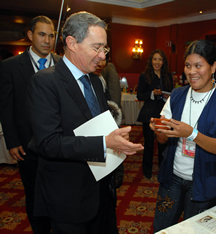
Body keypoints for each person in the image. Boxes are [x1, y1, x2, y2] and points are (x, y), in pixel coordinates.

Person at [26, 11, 144, 233]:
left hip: (102, 192)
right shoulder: (44, 82)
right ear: (72, 43)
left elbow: (98, 127)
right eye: (96, 47)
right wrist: (106, 143)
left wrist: (115, 138)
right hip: (69, 197)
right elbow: (48, 143)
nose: (102, 55)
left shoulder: (95, 82)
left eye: (105, 48)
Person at [150, 40, 216, 232]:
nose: (192, 72)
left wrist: (191, 133)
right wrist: (158, 129)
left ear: (213, 66)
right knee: (162, 227)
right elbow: (162, 140)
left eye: (198, 65)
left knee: (196, 230)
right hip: (172, 177)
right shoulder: (176, 95)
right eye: (188, 65)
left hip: (205, 182)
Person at [0, 15, 61, 233]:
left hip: (60, 143)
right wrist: (12, 140)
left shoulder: (64, 65)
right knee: (35, 194)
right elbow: (6, 108)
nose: (47, 40)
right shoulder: (10, 67)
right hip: (27, 145)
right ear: (30, 35)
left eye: (51, 35)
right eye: (42, 34)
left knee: (60, 192)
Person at [136, 49, 173, 179]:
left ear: (163, 62)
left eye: (160, 59)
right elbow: (139, 95)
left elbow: (171, 93)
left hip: (164, 114)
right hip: (149, 114)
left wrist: (166, 95)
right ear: (151, 61)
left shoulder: (167, 76)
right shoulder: (144, 75)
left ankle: (163, 169)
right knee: (149, 144)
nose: (157, 62)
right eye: (155, 59)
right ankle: (147, 170)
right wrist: (152, 93)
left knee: (163, 144)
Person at [93, 52, 124, 188]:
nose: (100, 63)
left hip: (107, 120)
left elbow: (115, 97)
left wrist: (112, 121)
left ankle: (116, 178)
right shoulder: (90, 74)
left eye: (103, 60)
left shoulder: (108, 70)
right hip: (95, 125)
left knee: (114, 150)